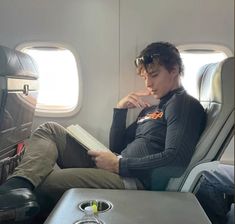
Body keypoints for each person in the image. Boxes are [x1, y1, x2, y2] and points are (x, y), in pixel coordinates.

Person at [0, 42, 206, 222]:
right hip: (118, 165)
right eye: (144, 77)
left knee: (48, 182)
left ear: (174, 70)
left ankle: (17, 209)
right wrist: (120, 110)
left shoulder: (183, 104)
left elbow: (175, 159)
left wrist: (120, 165)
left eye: (154, 75)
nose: (148, 84)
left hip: (133, 179)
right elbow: (117, 147)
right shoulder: (152, 109)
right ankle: (14, 187)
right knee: (50, 129)